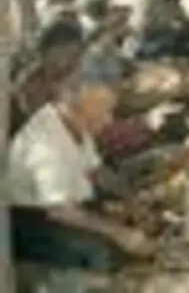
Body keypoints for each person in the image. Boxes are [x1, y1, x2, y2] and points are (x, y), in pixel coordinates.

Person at [9, 50, 155, 271]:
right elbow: (61, 211)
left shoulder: (75, 123)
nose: (109, 120)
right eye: (103, 111)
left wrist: (131, 201)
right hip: (33, 223)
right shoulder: (45, 143)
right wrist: (120, 234)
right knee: (105, 253)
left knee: (123, 228)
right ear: (75, 104)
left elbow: (97, 171)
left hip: (64, 209)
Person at [11, 20, 85, 136]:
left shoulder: (73, 77)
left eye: (75, 57)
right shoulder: (29, 83)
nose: (65, 64)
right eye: (57, 59)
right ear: (44, 54)